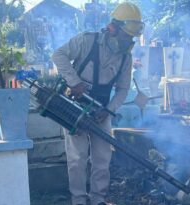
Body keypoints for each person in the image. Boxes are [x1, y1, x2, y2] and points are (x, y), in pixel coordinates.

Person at [52, 3, 144, 205]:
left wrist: (109, 110)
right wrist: (74, 82)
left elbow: (122, 89)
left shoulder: (125, 58)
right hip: (74, 106)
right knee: (77, 158)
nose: (129, 40)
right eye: (127, 35)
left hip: (101, 110)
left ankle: (97, 200)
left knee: (102, 158)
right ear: (113, 28)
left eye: (132, 37)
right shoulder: (87, 41)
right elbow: (58, 55)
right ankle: (78, 200)